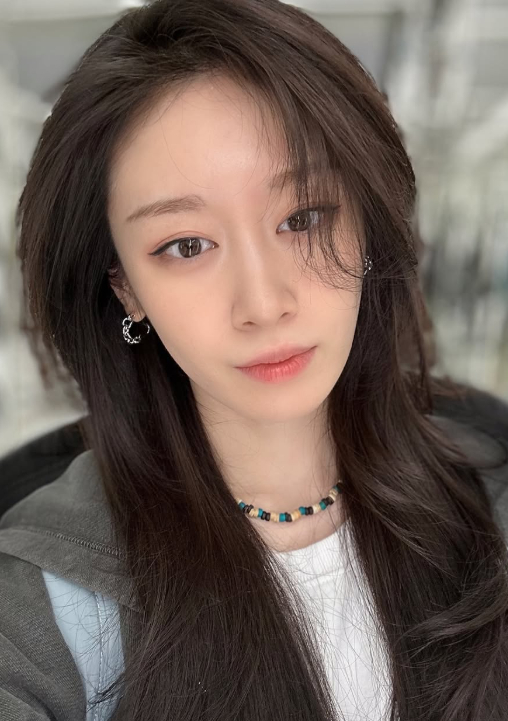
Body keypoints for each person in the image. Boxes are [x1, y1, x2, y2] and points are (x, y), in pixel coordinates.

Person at [1, 0, 508, 719]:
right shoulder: (44, 604)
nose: (264, 304)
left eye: (303, 218)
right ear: (126, 288)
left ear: (369, 224)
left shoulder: (488, 510)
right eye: (186, 245)